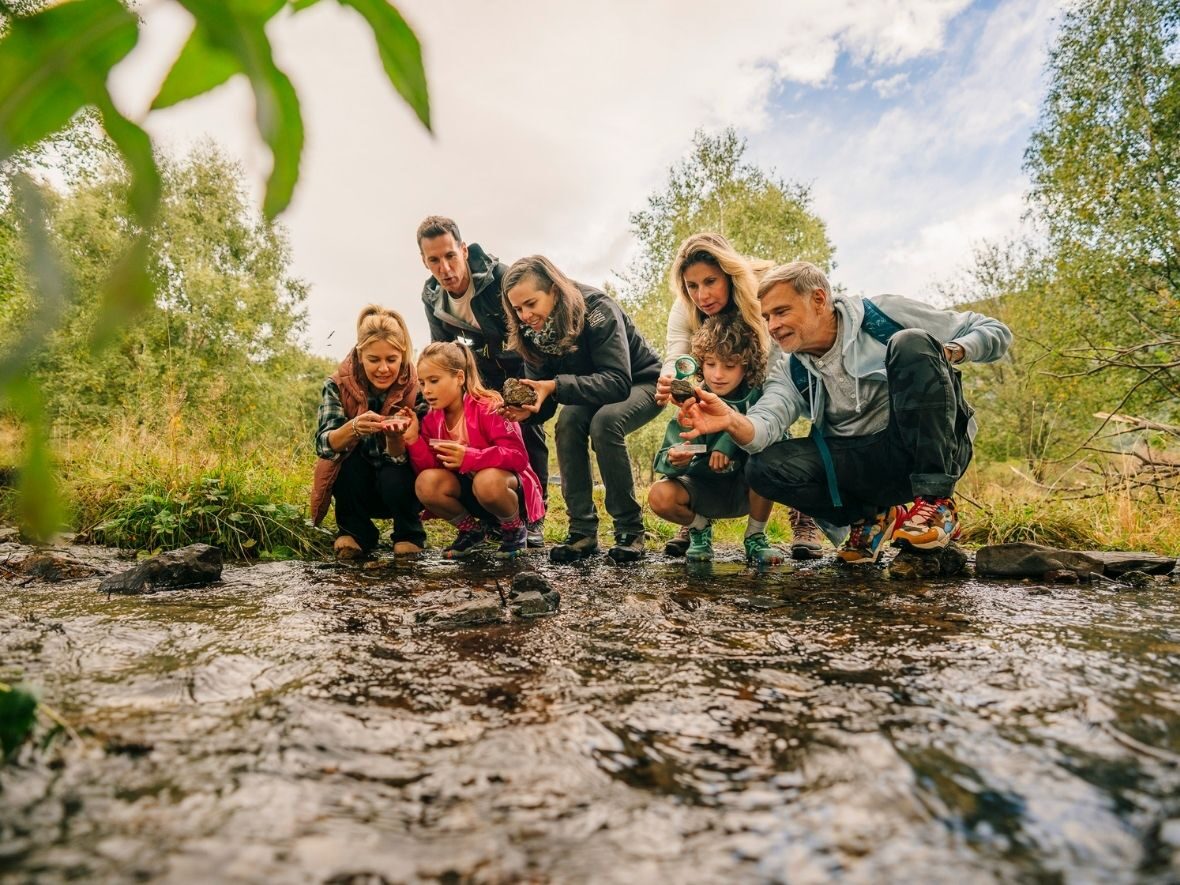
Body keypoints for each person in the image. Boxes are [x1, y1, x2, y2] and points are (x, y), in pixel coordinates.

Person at [677, 260, 1012, 564]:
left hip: (924, 446)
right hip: (861, 461)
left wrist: (951, 351)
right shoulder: (788, 368)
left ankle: (936, 504)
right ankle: (871, 518)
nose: (773, 326)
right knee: (764, 468)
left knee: (911, 342)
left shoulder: (884, 315)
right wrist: (731, 419)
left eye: (781, 312)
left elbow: (995, 331)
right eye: (767, 317)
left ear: (819, 300)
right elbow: (767, 422)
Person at [656, 232, 825, 560]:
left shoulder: (761, 298)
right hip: (715, 383)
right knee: (695, 420)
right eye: (692, 286)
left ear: (729, 276)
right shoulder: (686, 306)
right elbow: (677, 354)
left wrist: (728, 443)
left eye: (710, 282)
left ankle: (802, 516)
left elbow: (774, 382)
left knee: (773, 434)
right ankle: (694, 520)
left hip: (766, 378)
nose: (702, 295)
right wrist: (671, 378)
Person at [499, 255, 662, 564]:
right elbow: (545, 398)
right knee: (566, 424)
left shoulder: (598, 309)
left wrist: (554, 387)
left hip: (640, 382)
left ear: (555, 290)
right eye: (518, 309)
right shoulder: (531, 334)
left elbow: (617, 382)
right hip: (591, 390)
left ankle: (629, 528)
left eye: (531, 304)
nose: (525, 315)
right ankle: (582, 531)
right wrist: (531, 409)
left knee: (605, 423)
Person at [417, 215, 548, 547]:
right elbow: (444, 348)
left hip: (520, 361)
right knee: (478, 430)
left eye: (449, 255)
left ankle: (535, 516)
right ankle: (488, 521)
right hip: (477, 367)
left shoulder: (499, 278)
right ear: (424, 261)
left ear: (463, 249)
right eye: (434, 260)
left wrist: (523, 389)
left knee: (526, 426)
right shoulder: (432, 297)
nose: (444, 267)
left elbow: (528, 329)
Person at [649, 315, 785, 565]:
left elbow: (777, 435)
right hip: (703, 489)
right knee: (659, 495)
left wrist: (727, 443)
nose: (718, 374)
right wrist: (674, 459)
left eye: (730, 366)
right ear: (699, 364)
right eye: (710, 364)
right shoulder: (691, 399)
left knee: (770, 459)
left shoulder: (761, 398)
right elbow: (665, 454)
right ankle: (700, 529)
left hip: (749, 489)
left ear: (747, 365)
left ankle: (755, 536)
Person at [405, 341, 544, 560]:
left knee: (486, 480)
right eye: (422, 383)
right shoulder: (432, 419)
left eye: (434, 380)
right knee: (426, 482)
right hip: (472, 494)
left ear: (459, 377)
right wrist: (413, 439)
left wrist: (471, 457)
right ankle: (471, 530)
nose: (427, 390)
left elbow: (519, 458)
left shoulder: (489, 406)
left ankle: (514, 528)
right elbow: (431, 469)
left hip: (505, 491)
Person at [312, 305, 425, 559]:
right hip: (357, 486)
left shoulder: (418, 387)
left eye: (391, 360)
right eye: (374, 360)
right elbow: (323, 444)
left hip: (401, 486)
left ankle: (408, 534)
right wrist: (352, 428)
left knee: (395, 471)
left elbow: (422, 454)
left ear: (403, 355)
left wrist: (396, 439)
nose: (383, 368)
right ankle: (356, 531)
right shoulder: (335, 385)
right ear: (360, 355)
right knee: (346, 461)